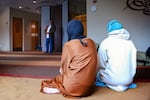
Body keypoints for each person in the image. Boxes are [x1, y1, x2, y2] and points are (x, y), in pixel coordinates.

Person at [40, 19, 97, 98]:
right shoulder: (92, 42)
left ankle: (62, 89)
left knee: (56, 79)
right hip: (90, 86)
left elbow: (63, 69)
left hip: (73, 87)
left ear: (69, 31)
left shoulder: (69, 45)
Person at [95, 19, 137, 92]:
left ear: (109, 30)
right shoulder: (131, 43)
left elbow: (100, 64)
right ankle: (123, 84)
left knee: (98, 72)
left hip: (113, 80)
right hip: (129, 80)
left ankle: (113, 84)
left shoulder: (106, 42)